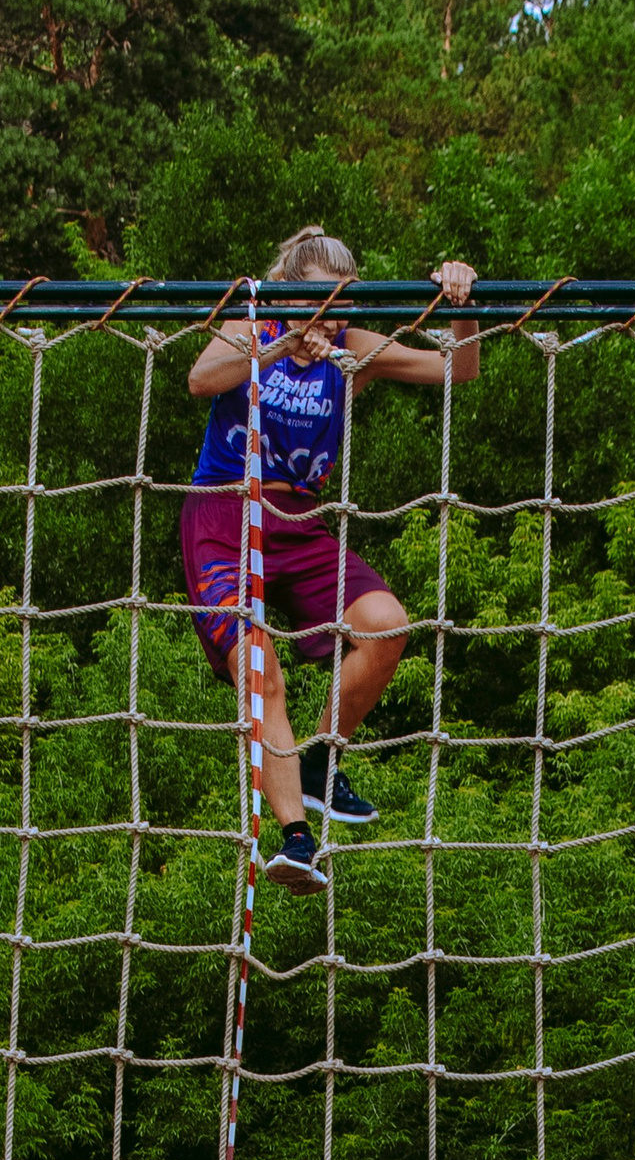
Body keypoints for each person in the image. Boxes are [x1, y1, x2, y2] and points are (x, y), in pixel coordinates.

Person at [181, 229, 482, 891]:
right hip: (225, 514)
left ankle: (320, 760)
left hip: (299, 523)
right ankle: (294, 839)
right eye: (319, 302)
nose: (333, 316)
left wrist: (464, 299)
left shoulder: (351, 351)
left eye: (343, 303)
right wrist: (283, 343)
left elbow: (456, 367)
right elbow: (201, 378)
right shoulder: (255, 322)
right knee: (261, 669)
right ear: (290, 295)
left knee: (385, 622)